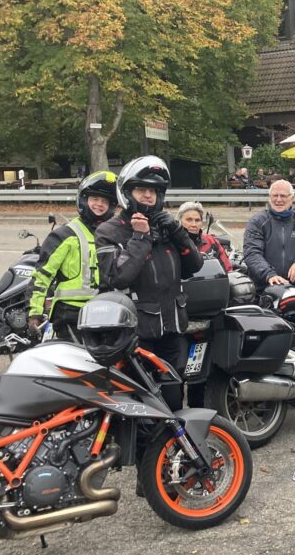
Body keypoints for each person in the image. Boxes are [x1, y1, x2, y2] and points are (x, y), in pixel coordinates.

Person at [95, 155, 203, 411]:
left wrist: (178, 233)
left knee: (174, 400)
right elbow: (116, 277)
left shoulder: (166, 226)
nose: (148, 195)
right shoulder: (110, 231)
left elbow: (194, 266)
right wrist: (140, 238)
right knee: (141, 407)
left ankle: (170, 450)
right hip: (136, 336)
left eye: (153, 191)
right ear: (128, 193)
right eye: (141, 189)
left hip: (172, 330)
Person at [28, 171, 118, 340]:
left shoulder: (112, 235)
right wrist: (35, 314)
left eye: (105, 201)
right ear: (84, 200)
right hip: (70, 314)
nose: (99, 204)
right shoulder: (65, 235)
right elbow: (42, 277)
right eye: (95, 199)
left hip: (103, 311)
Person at [243, 179, 295, 291]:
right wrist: (269, 274)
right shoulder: (257, 221)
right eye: (275, 196)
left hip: (294, 287)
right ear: (269, 198)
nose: (278, 200)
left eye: (283, 196)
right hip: (263, 286)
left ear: (292, 198)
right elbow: (252, 253)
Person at [177, 201, 232, 271]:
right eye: (189, 220)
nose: (194, 224)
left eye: (197, 220)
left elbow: (228, 270)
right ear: (179, 221)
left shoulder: (212, 242)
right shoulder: (172, 244)